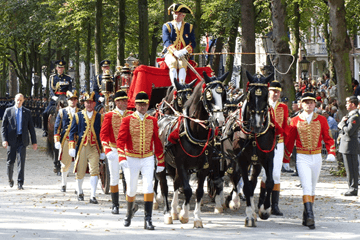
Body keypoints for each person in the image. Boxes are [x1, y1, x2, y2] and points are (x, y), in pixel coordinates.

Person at [285, 92, 335, 229]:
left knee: (312, 187)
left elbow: (328, 137)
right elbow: (290, 140)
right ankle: (311, 216)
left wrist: (331, 151)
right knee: (306, 185)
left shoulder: (322, 120)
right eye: (306, 102)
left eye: (311, 102)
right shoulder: (295, 120)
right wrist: (286, 157)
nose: (309, 105)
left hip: (317, 156)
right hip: (302, 157)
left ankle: (305, 215)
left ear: (315, 104)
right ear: (301, 104)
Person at [117, 91, 165, 230]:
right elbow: (120, 140)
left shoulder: (153, 120)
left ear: (148, 105)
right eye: (139, 104)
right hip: (131, 157)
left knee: (148, 187)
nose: (142, 107)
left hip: (148, 158)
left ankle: (148, 219)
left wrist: (160, 160)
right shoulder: (127, 120)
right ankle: (128, 213)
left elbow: (157, 141)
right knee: (131, 189)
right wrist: (121, 157)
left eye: (144, 104)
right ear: (135, 105)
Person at [68, 92, 105, 203]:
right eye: (87, 102)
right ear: (84, 103)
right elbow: (72, 132)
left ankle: (92, 196)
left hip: (94, 147)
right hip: (81, 147)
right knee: (80, 170)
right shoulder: (77, 116)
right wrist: (71, 146)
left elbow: (102, 134)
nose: (89, 104)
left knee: (95, 171)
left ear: (94, 103)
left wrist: (103, 150)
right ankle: (80, 191)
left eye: (91, 102)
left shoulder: (99, 117)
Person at [100, 90, 133, 214]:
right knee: (114, 178)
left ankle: (130, 204)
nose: (125, 103)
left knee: (130, 178)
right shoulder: (109, 115)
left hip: (128, 151)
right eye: (122, 101)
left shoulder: (132, 115)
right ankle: (115, 205)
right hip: (114, 150)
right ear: (116, 102)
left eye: (125, 100)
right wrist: (107, 150)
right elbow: (103, 135)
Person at [259, 80, 289, 216]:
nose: (275, 94)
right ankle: (262, 201)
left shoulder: (283, 107)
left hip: (279, 141)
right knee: (266, 174)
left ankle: (275, 205)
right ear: (269, 91)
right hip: (265, 142)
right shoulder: (263, 104)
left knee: (276, 174)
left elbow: (285, 124)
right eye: (273, 91)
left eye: (278, 92)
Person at [1, 93, 38, 190]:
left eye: (21, 100)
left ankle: (20, 182)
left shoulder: (27, 112)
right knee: (10, 161)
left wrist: (34, 142)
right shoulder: (8, 111)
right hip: (11, 140)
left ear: (23, 101)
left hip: (22, 140)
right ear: (15, 99)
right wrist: (4, 140)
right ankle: (10, 179)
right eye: (17, 100)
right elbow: (3, 127)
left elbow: (31, 128)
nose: (19, 102)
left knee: (21, 162)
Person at [162, 3, 195, 86]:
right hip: (170, 53)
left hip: (183, 54)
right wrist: (175, 52)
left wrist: (184, 51)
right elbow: (166, 41)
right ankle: (175, 86)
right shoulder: (167, 26)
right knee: (173, 62)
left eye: (179, 14)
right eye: (175, 14)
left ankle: (182, 84)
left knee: (182, 64)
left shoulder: (189, 27)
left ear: (183, 15)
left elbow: (193, 42)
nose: (176, 16)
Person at [54, 91, 80, 192]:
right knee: (65, 163)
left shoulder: (81, 111)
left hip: (78, 140)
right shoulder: (62, 112)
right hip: (66, 139)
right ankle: (63, 184)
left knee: (79, 164)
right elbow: (57, 127)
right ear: (68, 101)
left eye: (74, 99)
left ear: (77, 100)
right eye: (70, 99)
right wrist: (57, 140)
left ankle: (78, 186)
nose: (72, 101)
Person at [42, 60, 73, 137]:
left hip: (65, 99)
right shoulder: (52, 78)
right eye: (59, 67)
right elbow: (50, 89)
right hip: (55, 99)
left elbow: (70, 89)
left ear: (64, 68)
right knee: (45, 113)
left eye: (62, 68)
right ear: (56, 68)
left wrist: (68, 97)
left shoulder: (68, 78)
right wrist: (54, 97)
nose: (60, 69)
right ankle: (45, 130)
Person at [338, 96, 360, 196]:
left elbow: (349, 131)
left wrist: (342, 124)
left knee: (352, 168)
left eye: (348, 103)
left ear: (352, 104)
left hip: (350, 145)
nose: (346, 104)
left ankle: (353, 188)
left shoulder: (355, 116)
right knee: (349, 168)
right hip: (347, 145)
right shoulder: (351, 115)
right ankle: (351, 187)